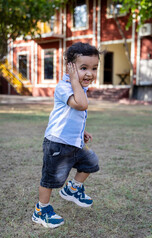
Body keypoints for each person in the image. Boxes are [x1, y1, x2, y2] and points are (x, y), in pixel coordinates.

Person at [32, 42, 101, 228]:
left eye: (94, 68)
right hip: (57, 143)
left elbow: (73, 115)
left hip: (74, 142)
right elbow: (81, 105)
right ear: (69, 67)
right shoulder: (64, 86)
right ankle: (41, 210)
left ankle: (73, 189)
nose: (90, 73)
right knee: (50, 180)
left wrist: (81, 131)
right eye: (84, 68)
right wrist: (73, 81)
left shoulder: (79, 87)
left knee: (90, 163)